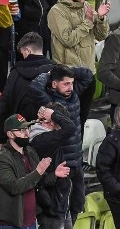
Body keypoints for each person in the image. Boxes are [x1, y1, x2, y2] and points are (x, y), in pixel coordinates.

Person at [27, 64, 94, 221]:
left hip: (77, 160)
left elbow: (88, 75)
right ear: (54, 83)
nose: (70, 87)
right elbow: (35, 87)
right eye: (66, 83)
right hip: (62, 164)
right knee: (60, 209)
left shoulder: (74, 94)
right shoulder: (48, 100)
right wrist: (49, 73)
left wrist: (66, 70)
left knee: (78, 203)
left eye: (71, 82)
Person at [0, 114, 69, 229]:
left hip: (30, 220)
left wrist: (54, 175)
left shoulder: (30, 151)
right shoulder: (2, 158)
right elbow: (14, 187)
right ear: (10, 134)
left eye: (27, 129)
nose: (26, 133)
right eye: (21, 130)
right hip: (10, 222)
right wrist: (38, 171)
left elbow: (39, 181)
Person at [0, 33, 55, 143]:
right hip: (49, 132)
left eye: (23, 53)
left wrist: (1, 135)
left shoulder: (15, 73)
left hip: (19, 133)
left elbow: (4, 103)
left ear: (27, 50)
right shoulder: (54, 72)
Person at [48, 0, 110, 71]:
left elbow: (102, 36)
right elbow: (68, 40)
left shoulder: (85, 5)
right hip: (68, 72)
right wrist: (88, 23)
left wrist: (101, 18)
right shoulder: (56, 11)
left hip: (89, 69)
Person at [29, 103, 75, 229]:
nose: (61, 128)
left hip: (59, 201)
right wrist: (53, 115)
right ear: (52, 122)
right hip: (52, 204)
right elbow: (70, 128)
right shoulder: (43, 140)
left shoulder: (44, 135)